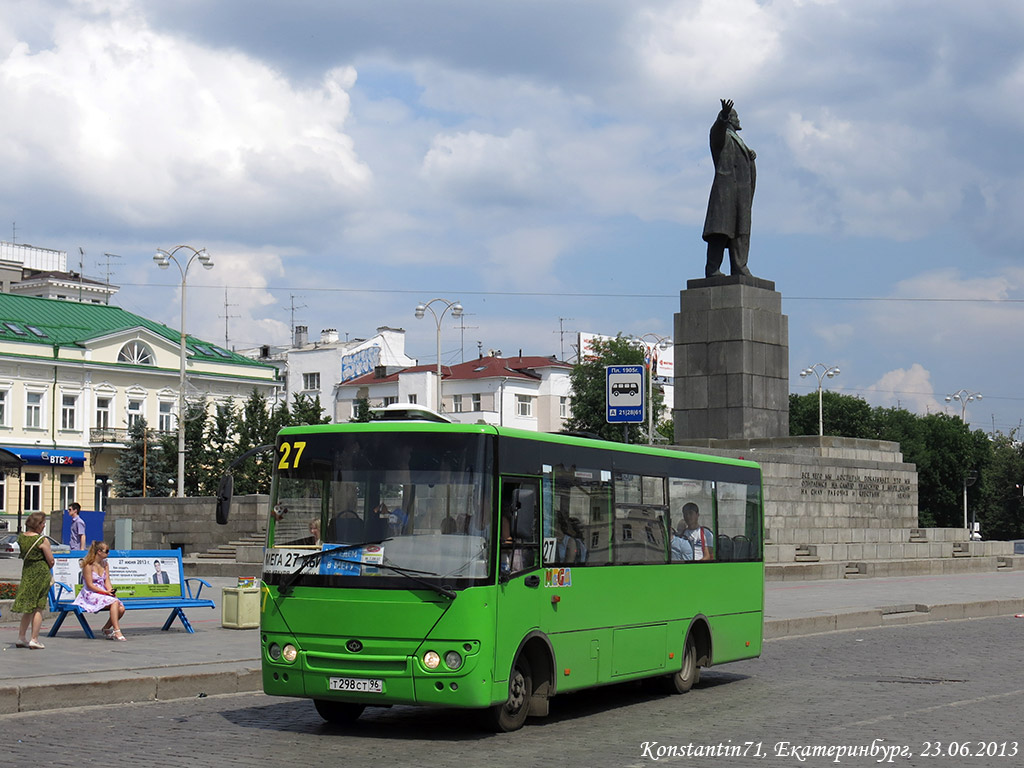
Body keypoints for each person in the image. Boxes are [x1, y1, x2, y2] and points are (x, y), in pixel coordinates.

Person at [702, 98, 757, 278]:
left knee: (740, 233)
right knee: (720, 232)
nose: (738, 119)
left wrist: (750, 157)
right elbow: (715, 132)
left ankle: (740, 267)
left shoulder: (739, 141)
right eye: (735, 116)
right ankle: (712, 269)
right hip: (725, 193)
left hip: (741, 195)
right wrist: (723, 116)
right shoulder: (722, 136)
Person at [13, 511, 55, 649]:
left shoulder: (21, 538)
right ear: (38, 525)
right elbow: (51, 560)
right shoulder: (42, 540)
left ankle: (21, 637)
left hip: (27, 572)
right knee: (38, 607)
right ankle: (34, 639)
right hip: (40, 573)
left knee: (28, 607)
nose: (44, 526)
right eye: (43, 523)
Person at [73, 541, 127, 641]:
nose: (108, 553)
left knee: (121, 609)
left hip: (103, 592)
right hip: (90, 593)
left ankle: (106, 628)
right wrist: (105, 593)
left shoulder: (105, 564)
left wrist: (110, 590)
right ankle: (117, 630)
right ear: (99, 552)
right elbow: (90, 585)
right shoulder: (88, 565)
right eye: (106, 551)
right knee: (114, 602)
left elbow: (107, 580)